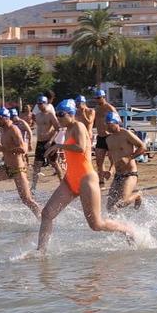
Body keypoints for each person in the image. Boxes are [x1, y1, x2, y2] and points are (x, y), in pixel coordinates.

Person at [35, 99, 138, 251]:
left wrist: (59, 145)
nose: (58, 117)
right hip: (70, 179)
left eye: (61, 114)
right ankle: (41, 252)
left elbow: (81, 148)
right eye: (57, 114)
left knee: (96, 224)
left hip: (86, 179)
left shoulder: (79, 126)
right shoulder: (67, 129)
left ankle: (128, 230)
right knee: (47, 214)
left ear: (71, 114)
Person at [0, 108, 43, 220]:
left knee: (26, 199)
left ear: (4, 117)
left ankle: (43, 218)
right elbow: (6, 148)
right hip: (7, 167)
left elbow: (23, 149)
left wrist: (3, 148)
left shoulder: (14, 129)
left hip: (18, 169)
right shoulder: (3, 129)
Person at [101, 112, 148, 210]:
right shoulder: (108, 139)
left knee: (122, 202)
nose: (107, 127)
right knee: (110, 207)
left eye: (109, 125)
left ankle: (138, 195)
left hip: (130, 174)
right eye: (106, 124)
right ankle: (118, 224)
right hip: (118, 175)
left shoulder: (126, 133)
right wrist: (110, 170)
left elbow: (143, 147)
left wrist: (129, 158)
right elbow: (114, 159)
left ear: (116, 122)